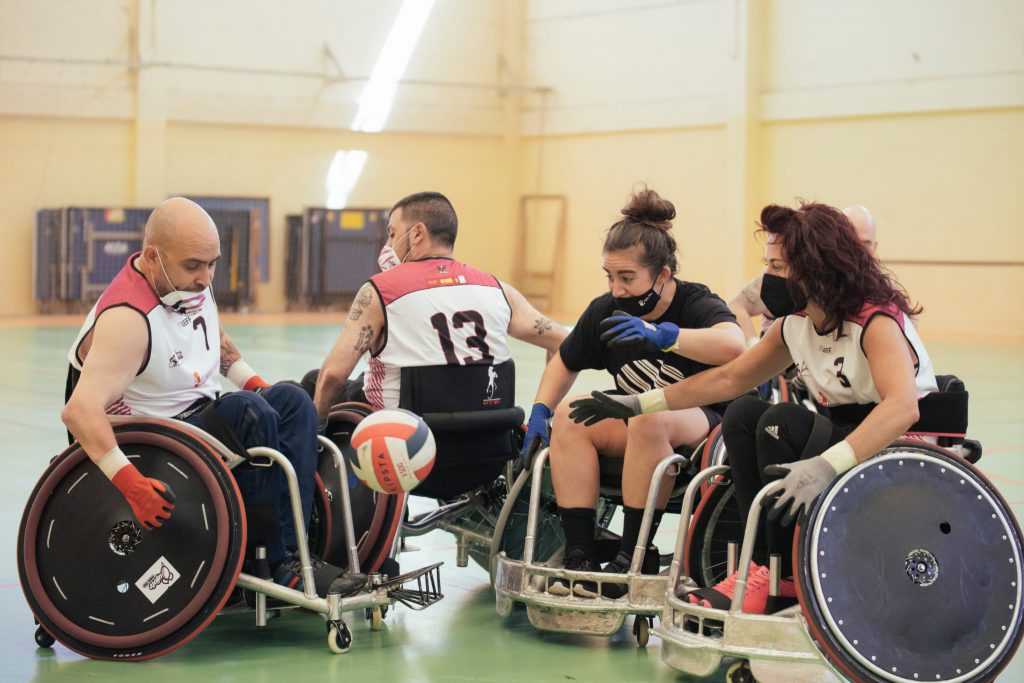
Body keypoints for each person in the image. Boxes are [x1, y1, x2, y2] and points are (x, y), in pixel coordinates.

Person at [568, 200, 936, 613]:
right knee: (743, 413)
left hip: (899, 445)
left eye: (777, 268)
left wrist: (826, 464)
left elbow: (904, 406)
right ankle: (758, 566)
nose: (766, 279)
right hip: (846, 434)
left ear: (815, 268)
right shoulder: (794, 325)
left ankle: (784, 577)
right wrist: (639, 404)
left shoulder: (875, 321)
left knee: (781, 421)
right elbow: (730, 378)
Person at [62, 197, 364, 599]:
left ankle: (293, 550)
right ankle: (269, 560)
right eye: (194, 265)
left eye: (212, 264)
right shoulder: (127, 319)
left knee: (292, 399)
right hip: (149, 437)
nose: (206, 277)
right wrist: (132, 486)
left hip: (196, 415)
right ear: (153, 257)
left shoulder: (184, 282)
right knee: (249, 412)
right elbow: (79, 412)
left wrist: (262, 387)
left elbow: (217, 346)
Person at [521, 186, 745, 599]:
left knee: (648, 415)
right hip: (638, 417)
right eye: (609, 276)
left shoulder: (697, 301)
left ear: (662, 275)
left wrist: (665, 336)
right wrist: (539, 410)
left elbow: (734, 345)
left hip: (699, 424)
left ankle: (633, 555)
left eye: (627, 277)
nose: (617, 288)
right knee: (572, 413)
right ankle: (580, 558)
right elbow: (566, 361)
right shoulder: (606, 309)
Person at [311, 191, 565, 491]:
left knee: (312, 383)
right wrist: (543, 410)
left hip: (405, 451)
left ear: (417, 233)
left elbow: (333, 375)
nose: (387, 245)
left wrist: (317, 429)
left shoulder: (381, 290)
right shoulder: (497, 288)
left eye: (392, 234)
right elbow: (564, 344)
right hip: (489, 450)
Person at [729, 204, 878, 347]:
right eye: (852, 241)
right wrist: (752, 345)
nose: (857, 250)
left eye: (865, 243)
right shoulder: (786, 300)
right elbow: (736, 306)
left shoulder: (877, 307)